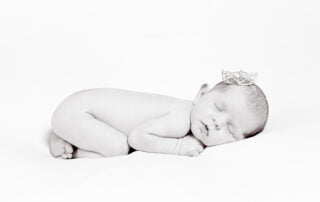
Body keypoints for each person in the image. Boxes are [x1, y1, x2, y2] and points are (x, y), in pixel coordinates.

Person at [49, 70, 269, 159]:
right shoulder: (181, 116)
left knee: (115, 141)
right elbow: (137, 137)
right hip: (79, 112)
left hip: (79, 108)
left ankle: (66, 131)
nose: (217, 122)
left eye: (230, 130)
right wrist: (177, 147)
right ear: (201, 94)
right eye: (218, 107)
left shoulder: (184, 114)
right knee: (118, 147)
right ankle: (69, 142)